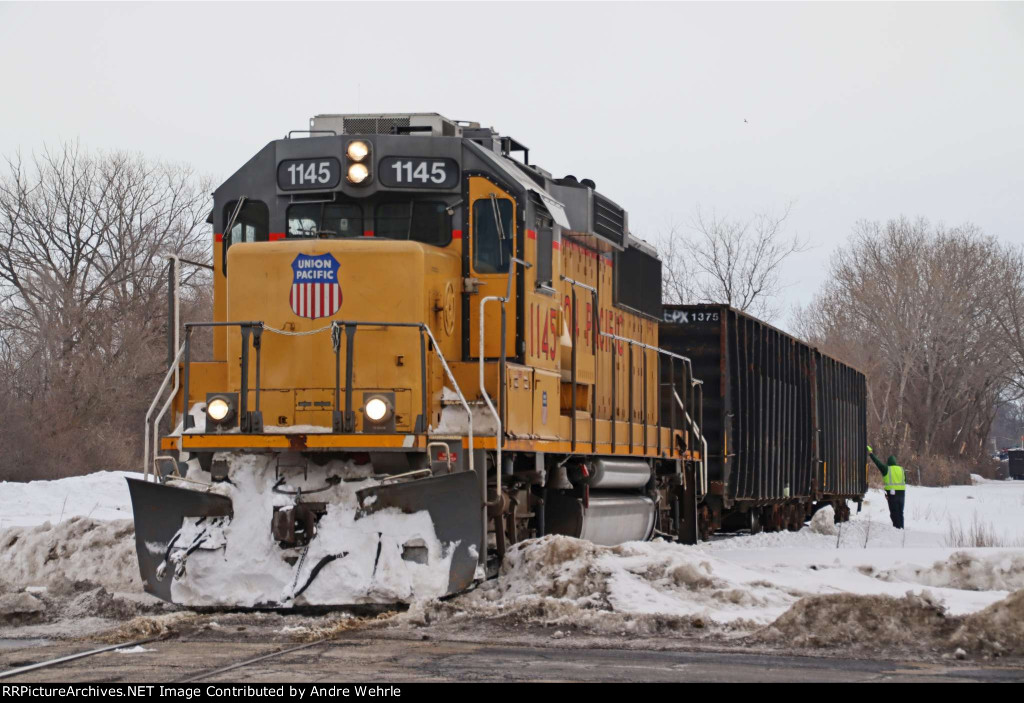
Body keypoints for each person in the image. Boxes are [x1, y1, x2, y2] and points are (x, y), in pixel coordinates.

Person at [868, 445, 906, 528]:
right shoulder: (901, 469)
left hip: (892, 495)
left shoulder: (886, 469)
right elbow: (904, 480)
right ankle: (901, 528)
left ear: (888, 463)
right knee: (900, 512)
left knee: (894, 512)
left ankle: (897, 529)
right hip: (902, 494)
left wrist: (871, 453)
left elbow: (877, 462)